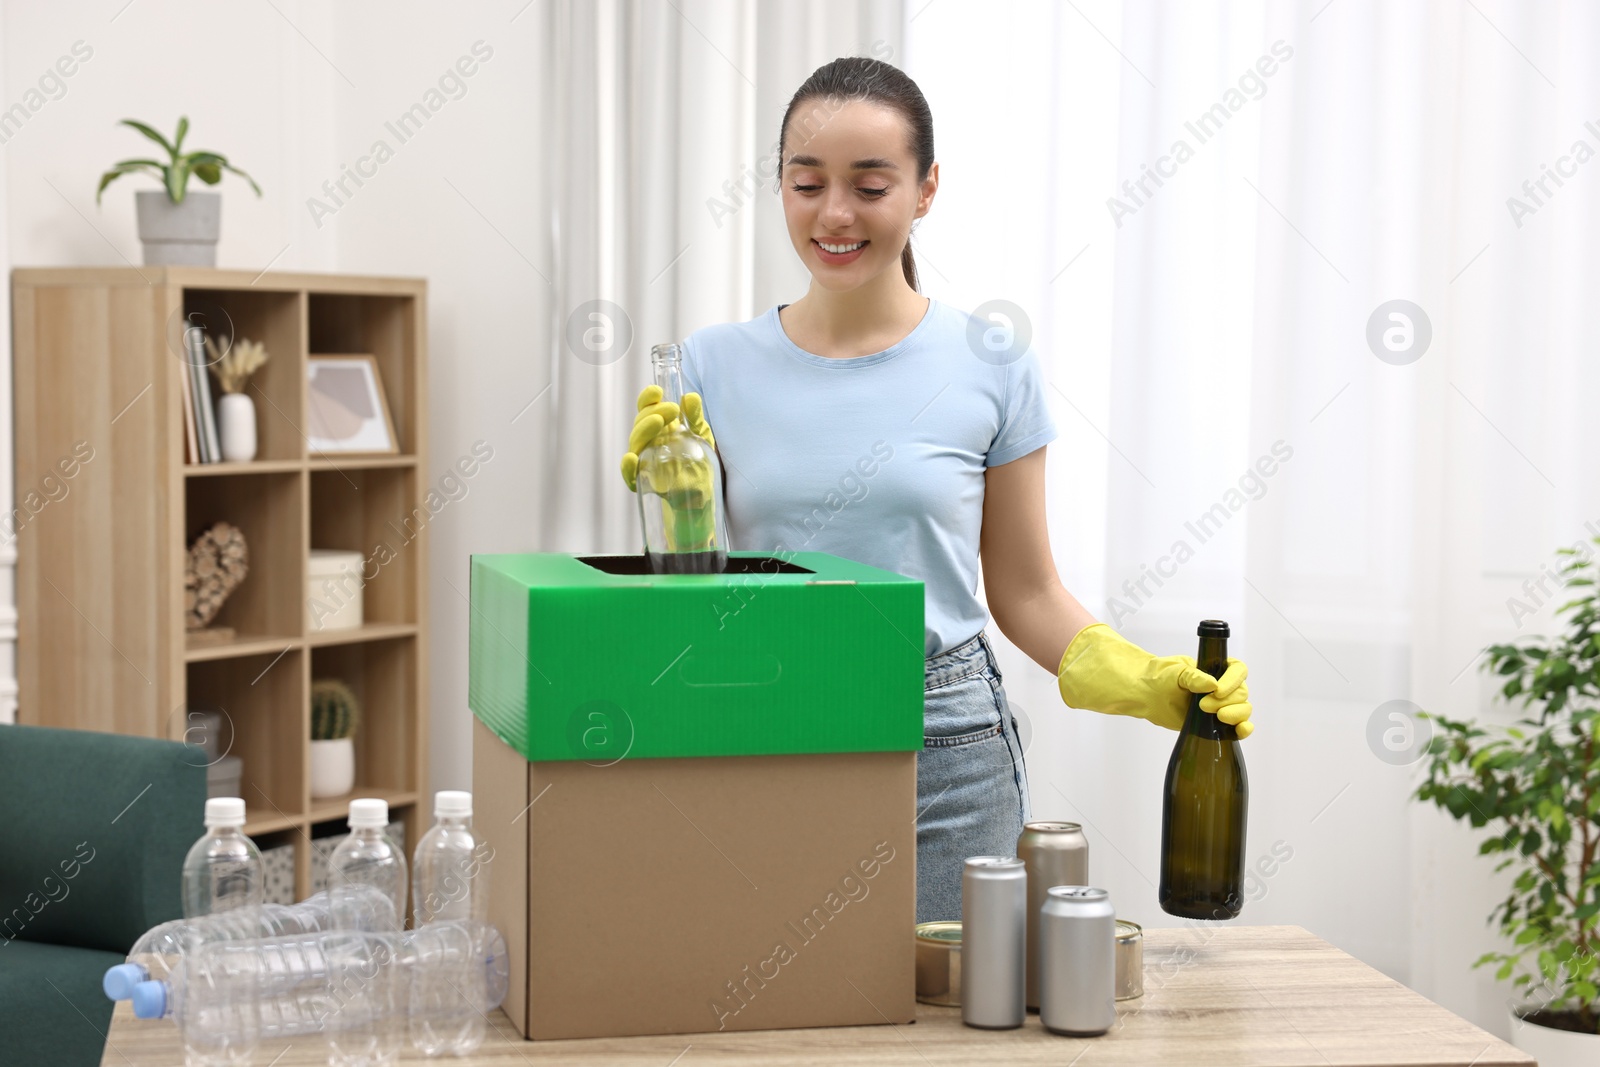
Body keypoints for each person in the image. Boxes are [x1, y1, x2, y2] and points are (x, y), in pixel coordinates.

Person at [619, 57, 1253, 924]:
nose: (834, 214)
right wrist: (676, 502)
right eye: (807, 183)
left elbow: (1026, 592)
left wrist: (1146, 680)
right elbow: (692, 591)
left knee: (950, 1022)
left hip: (944, 742)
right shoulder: (707, 366)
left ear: (925, 191)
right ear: (779, 188)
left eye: (870, 185)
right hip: (760, 717)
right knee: (767, 1024)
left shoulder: (990, 361)